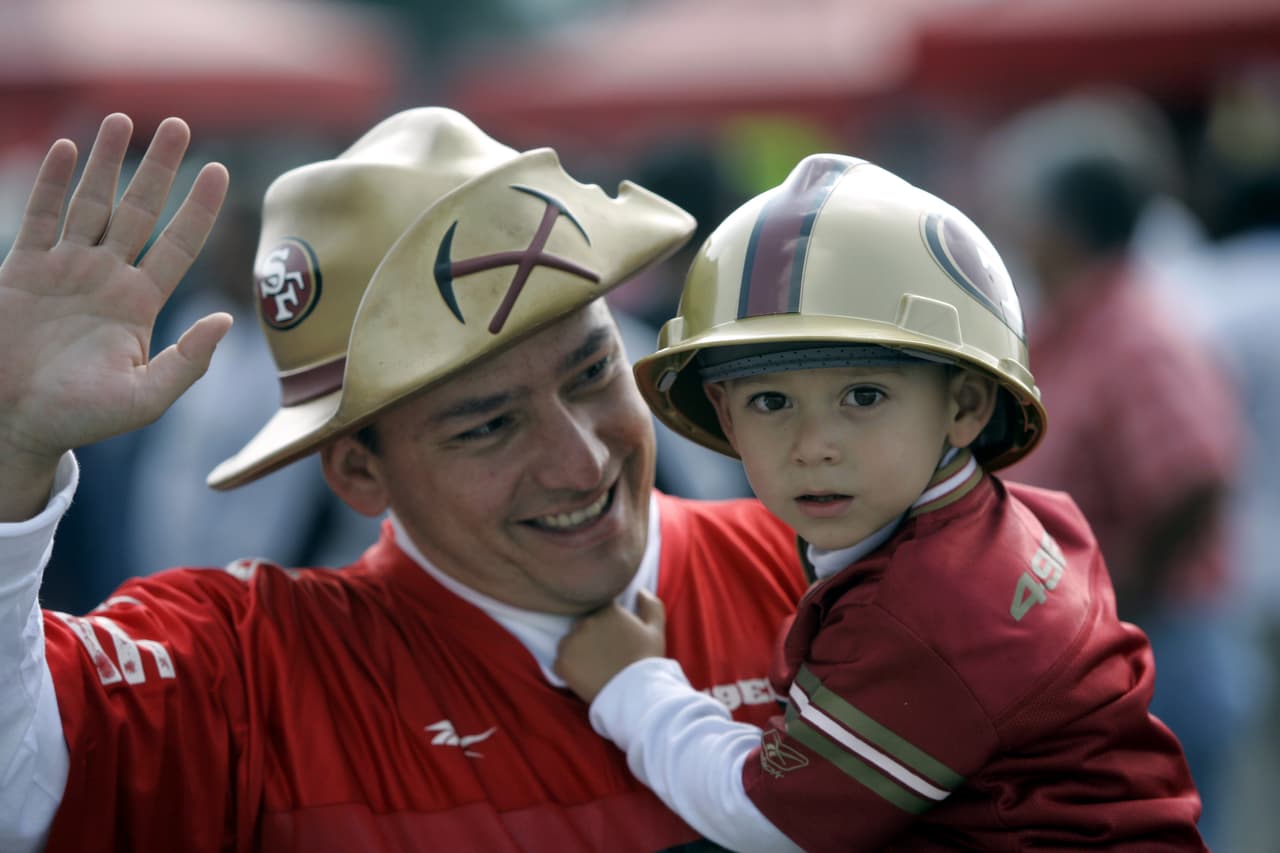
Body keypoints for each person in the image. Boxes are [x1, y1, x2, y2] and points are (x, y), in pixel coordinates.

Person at [0, 108, 809, 852]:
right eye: (490, 424)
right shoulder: (258, 677)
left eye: (594, 371)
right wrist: (10, 449)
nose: (584, 461)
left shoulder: (826, 575)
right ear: (358, 468)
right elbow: (19, 776)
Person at [553, 154, 1206, 851]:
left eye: (864, 396)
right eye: (770, 401)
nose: (814, 445)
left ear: (966, 404)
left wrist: (633, 684)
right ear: (725, 412)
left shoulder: (924, 609)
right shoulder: (1011, 521)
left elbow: (767, 819)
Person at [975, 91, 1252, 852]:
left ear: (1060, 224)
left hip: (1161, 643)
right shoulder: (1083, 320)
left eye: (1018, 209)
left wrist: (1125, 588)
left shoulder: (1134, 332)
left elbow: (1196, 471)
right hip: (1124, 647)